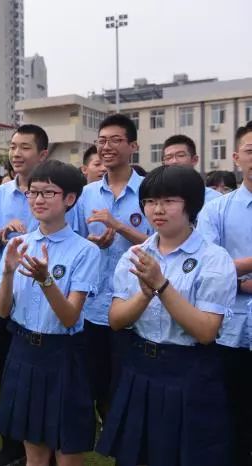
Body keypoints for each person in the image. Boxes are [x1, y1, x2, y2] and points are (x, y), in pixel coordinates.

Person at [98, 165, 237, 465]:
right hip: (140, 367)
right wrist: (144, 295)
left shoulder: (214, 259)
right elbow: (116, 319)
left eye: (169, 201)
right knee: (137, 456)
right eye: (150, 201)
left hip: (189, 373)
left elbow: (206, 331)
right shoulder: (135, 255)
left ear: (191, 205)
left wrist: (161, 285)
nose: (157, 209)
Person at [0, 160, 99, 466]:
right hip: (24, 351)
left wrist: (46, 280)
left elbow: (70, 317)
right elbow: (2, 312)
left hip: (63, 354)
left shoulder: (85, 250)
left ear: (69, 199)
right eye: (33, 192)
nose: (38, 200)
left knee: (67, 449)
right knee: (34, 451)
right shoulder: (18, 246)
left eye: (48, 192)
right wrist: (10, 273)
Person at [75, 114, 153, 427]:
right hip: (94, 306)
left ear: (133, 145)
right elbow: (76, 242)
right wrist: (94, 244)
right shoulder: (87, 193)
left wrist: (119, 227)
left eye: (115, 140)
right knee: (97, 382)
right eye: (102, 141)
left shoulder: (150, 190)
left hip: (136, 305)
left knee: (130, 384)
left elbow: (162, 245)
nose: (106, 147)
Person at [0, 124, 50, 466]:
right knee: (9, 374)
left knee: (41, 380)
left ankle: (42, 450)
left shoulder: (56, 193)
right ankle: (12, 447)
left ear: (43, 154)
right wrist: (2, 232)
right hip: (7, 298)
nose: (16, 153)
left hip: (46, 300)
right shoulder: (0, 195)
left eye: (25, 147)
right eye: (13, 146)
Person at [197, 121, 252, 466]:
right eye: (251, 150)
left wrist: (234, 274)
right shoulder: (217, 209)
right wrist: (242, 282)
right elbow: (206, 268)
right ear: (236, 157)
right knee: (232, 419)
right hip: (230, 331)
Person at [162, 134, 221, 203]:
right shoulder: (154, 198)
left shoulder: (216, 199)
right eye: (168, 157)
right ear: (163, 163)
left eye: (180, 155)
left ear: (194, 160)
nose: (174, 161)